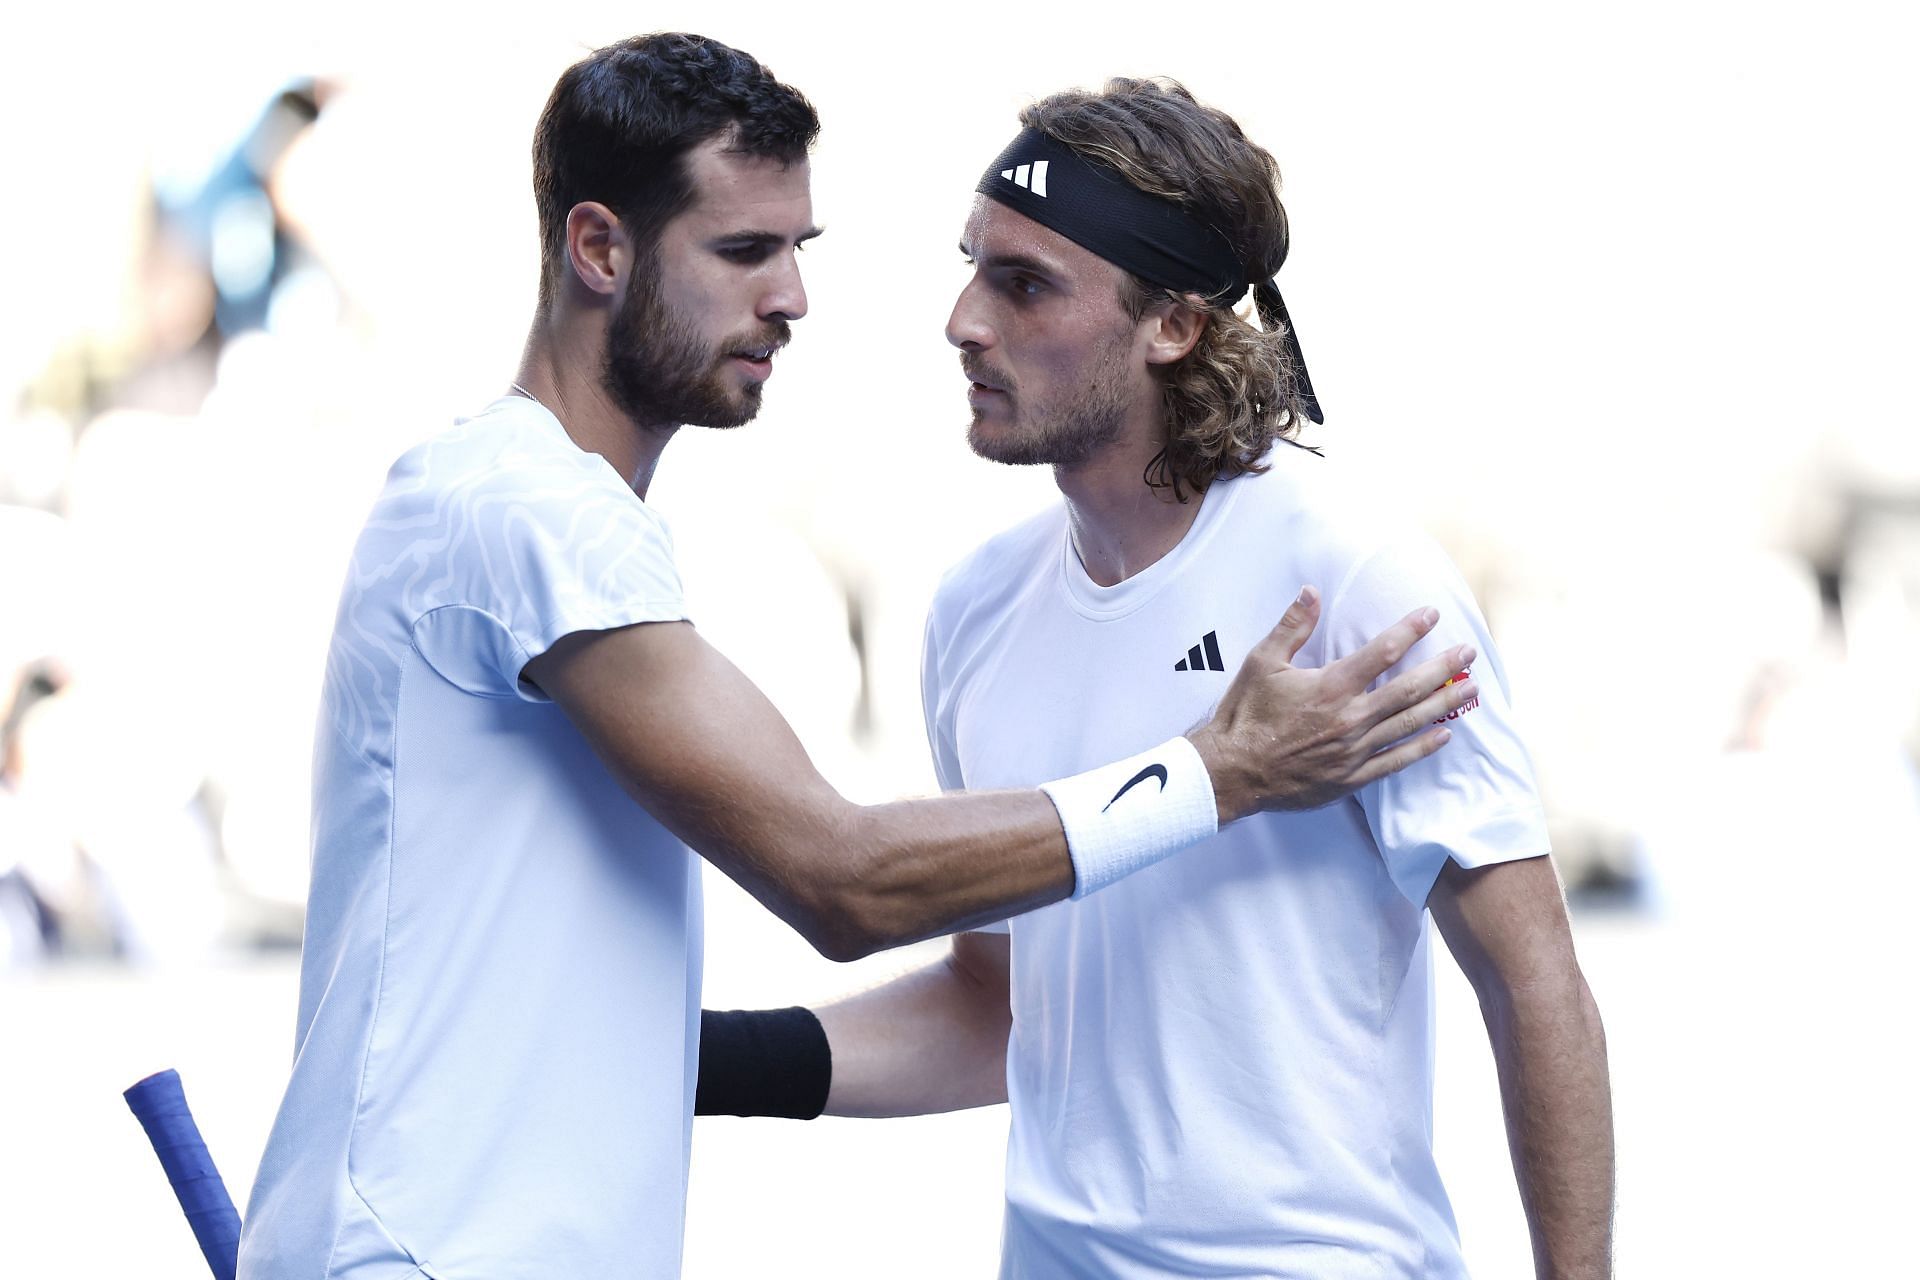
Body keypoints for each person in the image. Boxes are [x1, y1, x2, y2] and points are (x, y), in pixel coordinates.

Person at [235, 35, 1477, 1279]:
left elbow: (975, 1006)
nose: (790, 296)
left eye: (796, 250)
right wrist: (1221, 773)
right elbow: (841, 878)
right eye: (741, 251)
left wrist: (684, 1052)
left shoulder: (531, 515)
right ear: (599, 248)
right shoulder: (525, 512)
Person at [706, 80, 1614, 1278]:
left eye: (1024, 283)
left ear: (1174, 325)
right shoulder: (977, 607)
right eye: (972, 265)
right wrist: (693, 1058)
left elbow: (1532, 976)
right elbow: (995, 1008)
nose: (963, 319)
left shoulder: (1349, 579)